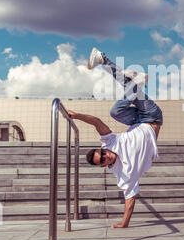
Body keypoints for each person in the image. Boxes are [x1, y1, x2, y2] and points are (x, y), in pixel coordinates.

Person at [67, 47, 163, 228]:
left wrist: (77, 115)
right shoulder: (123, 175)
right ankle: (132, 81)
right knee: (130, 88)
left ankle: (108, 63)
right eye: (102, 160)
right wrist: (124, 223)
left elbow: (96, 121)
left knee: (115, 111)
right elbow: (130, 199)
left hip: (137, 119)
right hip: (152, 117)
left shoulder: (109, 143)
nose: (107, 156)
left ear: (102, 149)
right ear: (103, 166)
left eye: (103, 153)